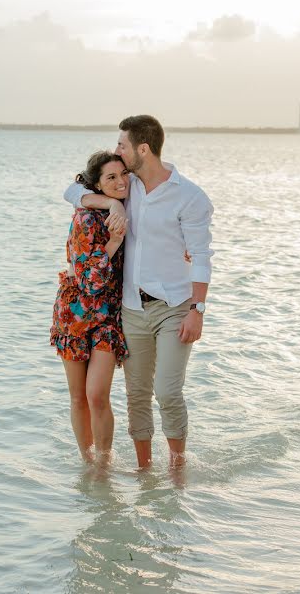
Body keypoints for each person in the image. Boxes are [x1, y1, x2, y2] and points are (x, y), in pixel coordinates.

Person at [63, 115, 214, 469]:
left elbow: (203, 256)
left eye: (122, 145)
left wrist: (198, 309)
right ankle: (144, 469)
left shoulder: (189, 196)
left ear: (142, 149)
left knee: (167, 391)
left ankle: (178, 466)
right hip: (131, 308)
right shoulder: (125, 189)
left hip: (175, 306)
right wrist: (112, 204)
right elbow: (72, 191)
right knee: (137, 396)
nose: (117, 150)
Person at [51, 150, 130, 465]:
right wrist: (113, 243)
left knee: (97, 395)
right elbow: (90, 280)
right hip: (76, 313)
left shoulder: (126, 201)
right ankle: (88, 463)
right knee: (78, 396)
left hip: (107, 316)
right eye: (111, 177)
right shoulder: (86, 216)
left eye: (123, 175)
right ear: (96, 185)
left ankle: (104, 462)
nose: (120, 181)